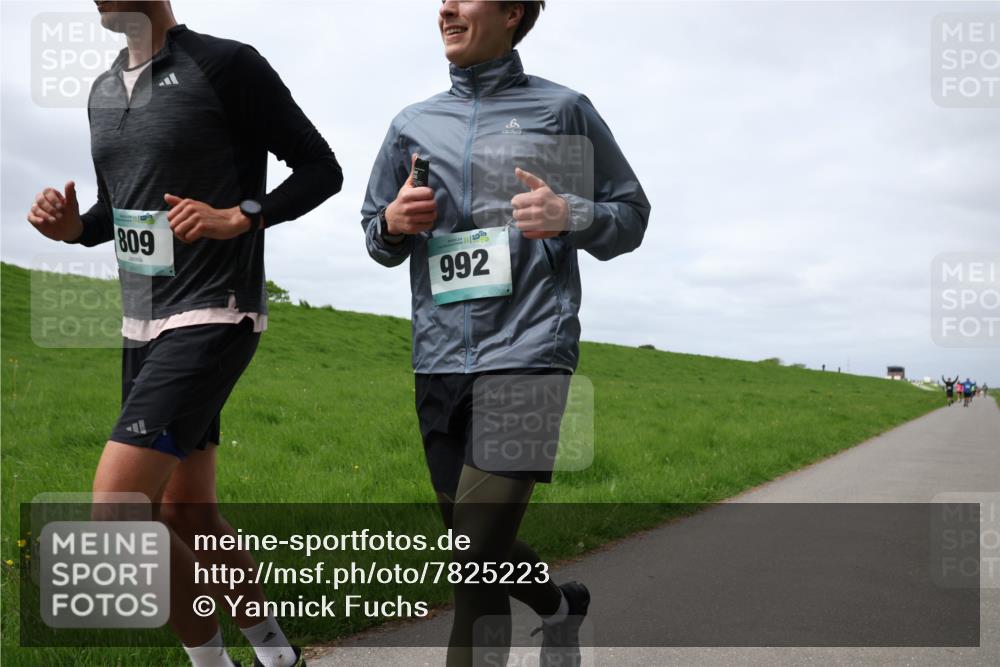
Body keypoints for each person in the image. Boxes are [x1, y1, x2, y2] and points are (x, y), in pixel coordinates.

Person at [26, 2, 341, 665]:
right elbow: (119, 210)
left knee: (116, 510)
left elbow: (320, 168)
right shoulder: (103, 88)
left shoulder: (227, 64)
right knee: (187, 515)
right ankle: (280, 656)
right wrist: (73, 228)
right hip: (141, 324)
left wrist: (241, 215)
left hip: (214, 311)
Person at [360, 2, 650, 665]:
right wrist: (395, 223)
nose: (445, 7)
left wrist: (567, 211)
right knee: (476, 551)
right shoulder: (412, 124)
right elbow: (375, 235)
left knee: (470, 561)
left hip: (528, 351)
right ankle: (558, 603)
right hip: (438, 358)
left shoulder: (561, 110)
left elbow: (630, 213)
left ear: (513, 12)